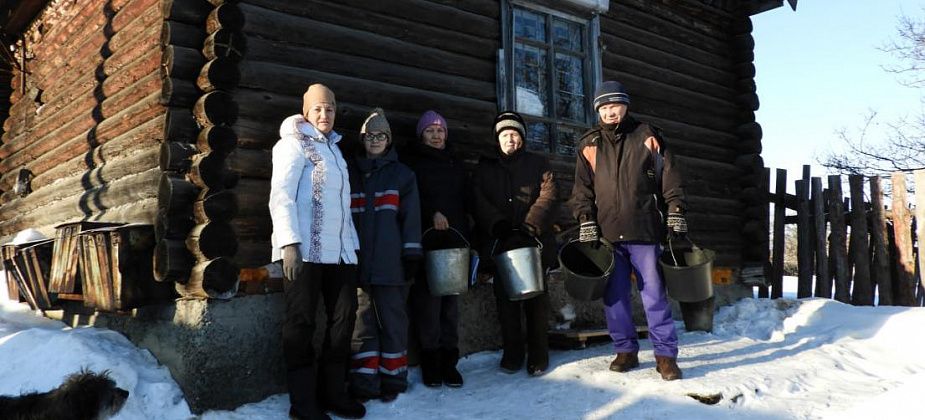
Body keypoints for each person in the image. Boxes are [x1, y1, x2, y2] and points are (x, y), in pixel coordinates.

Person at [570, 80, 686, 381]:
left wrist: (675, 212)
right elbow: (581, 190)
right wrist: (585, 220)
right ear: (598, 111)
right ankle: (625, 350)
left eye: (615, 106)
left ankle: (665, 356)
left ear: (625, 106)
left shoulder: (647, 136)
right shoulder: (588, 145)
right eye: (604, 107)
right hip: (607, 235)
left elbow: (670, 180)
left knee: (655, 294)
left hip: (645, 229)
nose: (610, 112)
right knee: (615, 296)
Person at [269, 83, 366, 420]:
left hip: (339, 253)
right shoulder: (291, 145)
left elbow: (343, 205)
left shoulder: (337, 152)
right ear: (306, 112)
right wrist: (288, 244)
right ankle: (304, 403)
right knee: (301, 324)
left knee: (343, 321)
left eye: (330, 109)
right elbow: (281, 196)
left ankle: (333, 393)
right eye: (318, 109)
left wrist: (352, 249)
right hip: (304, 252)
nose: (325, 115)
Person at [471, 111, 557, 377]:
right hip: (500, 241)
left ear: (522, 138)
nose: (511, 139)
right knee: (505, 300)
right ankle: (513, 354)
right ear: (498, 139)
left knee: (536, 302)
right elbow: (476, 198)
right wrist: (499, 225)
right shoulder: (485, 167)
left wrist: (530, 226)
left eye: (515, 134)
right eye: (505, 135)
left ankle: (539, 355)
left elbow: (549, 195)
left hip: (534, 240)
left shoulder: (538, 163)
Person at [347, 108, 423, 402]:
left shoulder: (402, 176)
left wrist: (411, 254)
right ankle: (364, 383)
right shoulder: (350, 173)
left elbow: (411, 219)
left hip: (392, 266)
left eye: (381, 136)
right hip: (357, 264)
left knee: (393, 322)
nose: (375, 141)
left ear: (389, 140)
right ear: (363, 140)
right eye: (370, 136)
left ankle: (393, 379)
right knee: (361, 322)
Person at [404, 110, 468, 388]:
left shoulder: (456, 162)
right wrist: (431, 213)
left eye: (440, 130)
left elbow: (466, 200)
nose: (436, 135)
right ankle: (430, 361)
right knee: (428, 306)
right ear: (421, 135)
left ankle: (449, 363)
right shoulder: (413, 164)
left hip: (454, 241)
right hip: (427, 239)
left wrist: (470, 236)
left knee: (450, 307)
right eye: (430, 130)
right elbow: (411, 199)